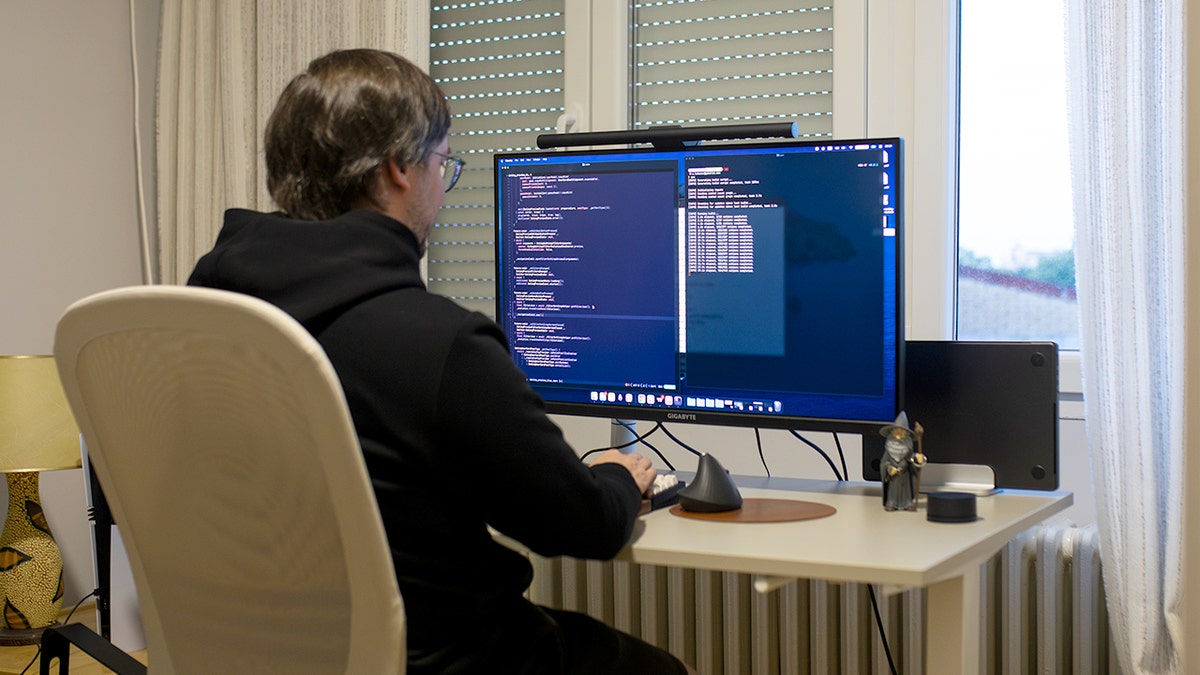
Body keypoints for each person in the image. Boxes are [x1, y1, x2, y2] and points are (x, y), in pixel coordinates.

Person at [188, 49, 695, 674]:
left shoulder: (205, 312)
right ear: (399, 169)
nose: (442, 189)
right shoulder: (438, 343)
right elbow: (581, 527)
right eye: (442, 164)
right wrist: (620, 475)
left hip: (260, 651)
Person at [879, 411, 926, 511]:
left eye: (902, 432)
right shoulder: (889, 449)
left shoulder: (907, 448)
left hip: (904, 476)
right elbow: (884, 462)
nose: (899, 435)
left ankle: (907, 502)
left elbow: (911, 458)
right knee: (893, 490)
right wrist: (889, 468)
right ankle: (891, 502)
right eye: (897, 431)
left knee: (906, 490)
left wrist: (917, 458)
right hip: (894, 477)